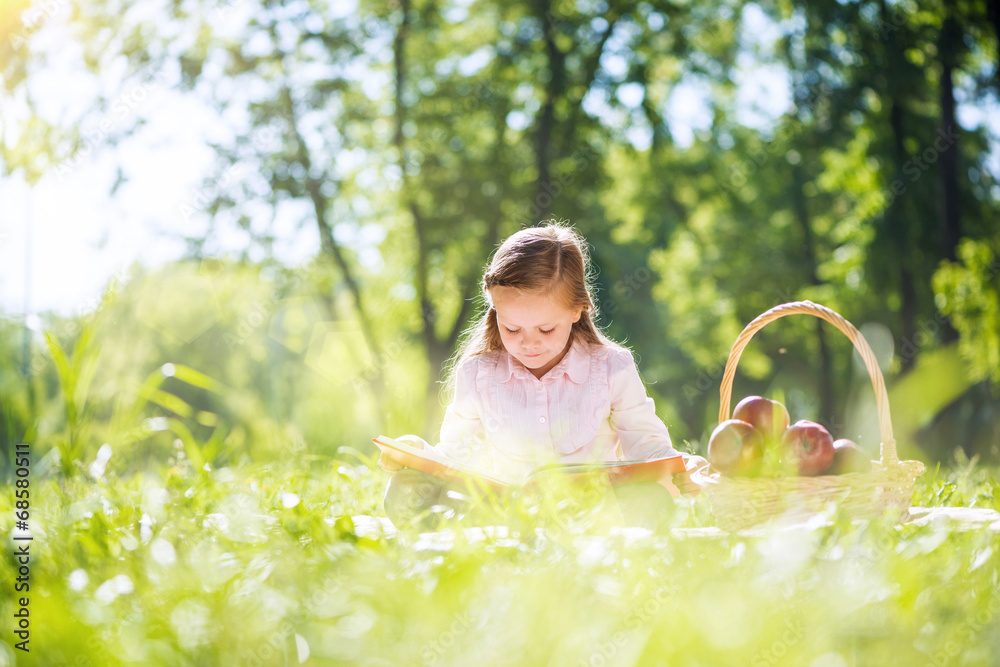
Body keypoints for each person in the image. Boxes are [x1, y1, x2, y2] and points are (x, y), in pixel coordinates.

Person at [380, 222, 707, 531]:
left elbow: (647, 446)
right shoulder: (478, 373)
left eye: (546, 328)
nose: (529, 341)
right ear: (495, 311)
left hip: (594, 508)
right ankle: (508, 531)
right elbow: (455, 457)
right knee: (407, 492)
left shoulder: (612, 368)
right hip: (508, 512)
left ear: (577, 310)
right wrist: (417, 454)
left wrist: (681, 467)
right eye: (512, 328)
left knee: (652, 500)